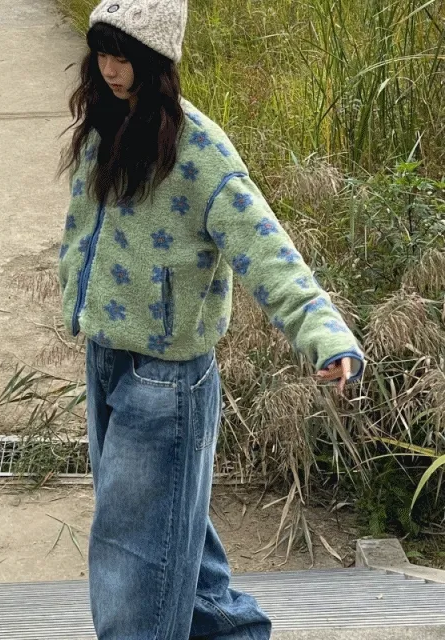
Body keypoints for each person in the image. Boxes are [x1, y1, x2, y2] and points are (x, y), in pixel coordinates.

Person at [56, 1, 365, 638]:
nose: (111, 70)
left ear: (158, 62)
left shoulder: (199, 152)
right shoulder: (104, 127)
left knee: (133, 555)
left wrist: (324, 333)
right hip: (106, 356)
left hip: (165, 380)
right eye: (103, 54)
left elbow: (267, 251)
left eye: (126, 58)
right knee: (170, 535)